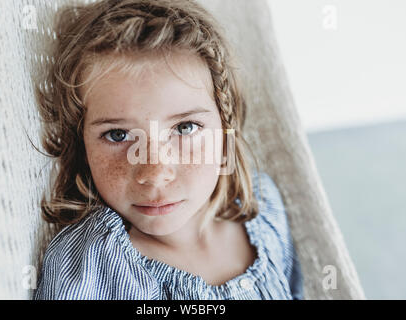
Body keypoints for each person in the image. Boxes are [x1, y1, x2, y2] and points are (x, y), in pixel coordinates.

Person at [33, 0, 303, 300]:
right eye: (118, 134)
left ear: (226, 130)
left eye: (185, 128)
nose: (155, 173)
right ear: (82, 146)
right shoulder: (91, 266)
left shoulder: (264, 209)